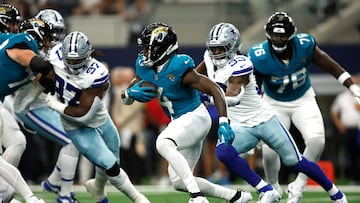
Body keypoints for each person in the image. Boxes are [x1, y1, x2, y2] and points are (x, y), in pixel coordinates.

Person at [197, 22, 349, 203]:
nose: (216, 53)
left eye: (220, 48)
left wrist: (206, 97)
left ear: (232, 46)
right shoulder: (209, 59)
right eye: (213, 49)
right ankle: (266, 189)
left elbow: (233, 95)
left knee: (295, 161)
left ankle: (336, 193)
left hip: (264, 120)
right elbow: (193, 77)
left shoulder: (242, 63)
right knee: (223, 153)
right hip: (241, 126)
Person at [120, 22, 252, 203]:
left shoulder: (179, 66)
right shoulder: (143, 65)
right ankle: (236, 197)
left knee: (163, 143)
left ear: (163, 48)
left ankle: (197, 197)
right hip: (180, 124)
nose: (145, 52)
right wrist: (127, 93)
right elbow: (128, 93)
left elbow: (215, 89)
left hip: (196, 117)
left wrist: (223, 121)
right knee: (179, 181)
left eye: (149, 48)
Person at [247, 11, 360, 203]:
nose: (278, 39)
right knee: (269, 148)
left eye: (282, 35)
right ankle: (272, 187)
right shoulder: (259, 55)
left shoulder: (305, 45)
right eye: (275, 35)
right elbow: (253, 90)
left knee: (317, 140)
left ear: (291, 35)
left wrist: (353, 88)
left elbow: (332, 67)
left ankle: (298, 186)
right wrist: (253, 120)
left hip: (303, 99)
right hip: (274, 102)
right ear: (268, 34)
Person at [45, 31, 150, 203]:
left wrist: (52, 103)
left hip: (97, 118)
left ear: (86, 56)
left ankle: (98, 190)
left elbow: (83, 115)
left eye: (77, 60)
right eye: (69, 60)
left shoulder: (97, 73)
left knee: (112, 160)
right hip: (75, 127)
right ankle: (138, 198)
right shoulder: (54, 56)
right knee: (110, 165)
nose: (72, 64)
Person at [7, 9, 81, 203]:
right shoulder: (30, 49)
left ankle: (53, 183)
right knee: (72, 141)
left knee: (77, 138)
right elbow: (38, 80)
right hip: (30, 106)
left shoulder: (49, 50)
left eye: (58, 31)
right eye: (51, 32)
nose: (54, 37)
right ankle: (63, 194)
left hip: (41, 104)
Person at [0, 17, 55, 203]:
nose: (48, 42)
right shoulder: (24, 42)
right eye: (46, 37)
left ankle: (5, 194)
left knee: (17, 141)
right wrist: (48, 73)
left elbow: (34, 83)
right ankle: (29, 197)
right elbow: (39, 64)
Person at [330, 75, 360, 184]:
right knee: (351, 154)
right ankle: (354, 178)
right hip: (348, 130)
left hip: (359, 129)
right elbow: (333, 111)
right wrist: (339, 124)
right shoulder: (342, 97)